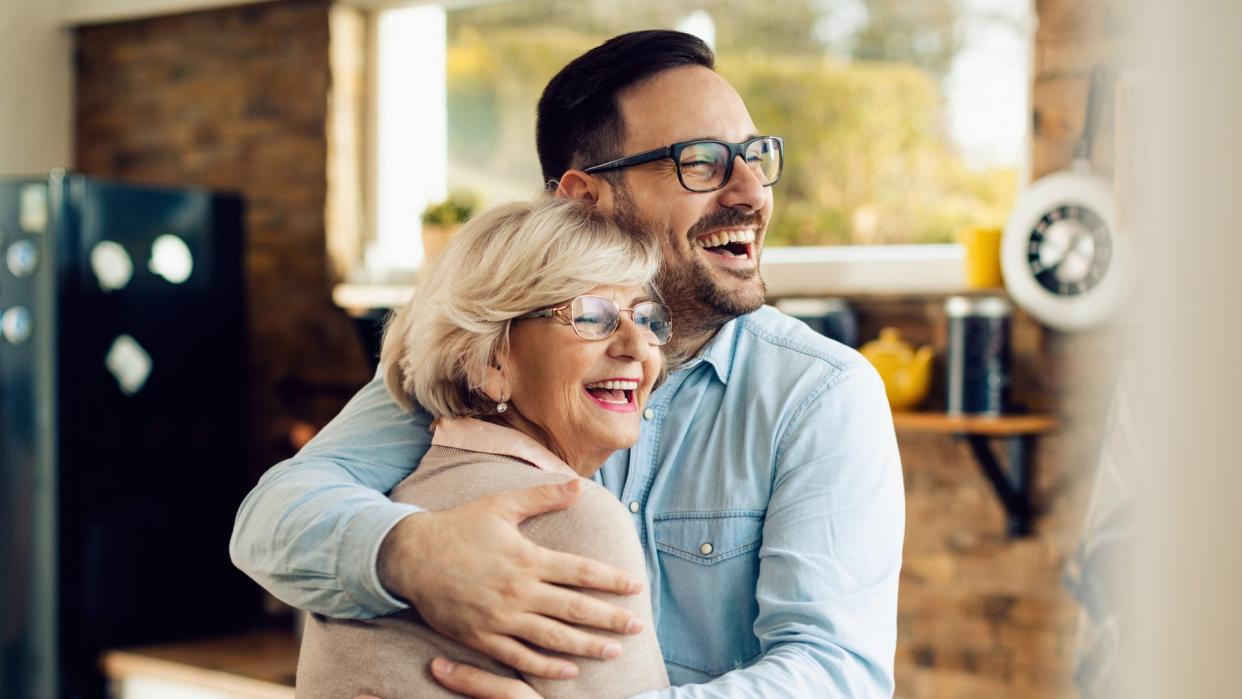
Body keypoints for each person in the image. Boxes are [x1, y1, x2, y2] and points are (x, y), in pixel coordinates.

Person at [231, 29, 905, 697]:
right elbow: (272, 519)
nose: (751, 192)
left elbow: (835, 673)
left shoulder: (819, 394)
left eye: (755, 157)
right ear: (585, 198)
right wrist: (414, 554)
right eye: (701, 162)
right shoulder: (490, 358)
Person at [296, 198, 671, 698]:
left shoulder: (383, 498)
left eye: (646, 318)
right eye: (591, 316)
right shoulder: (575, 520)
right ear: (488, 362)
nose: (636, 345)